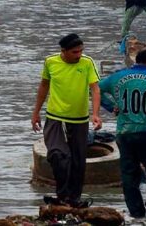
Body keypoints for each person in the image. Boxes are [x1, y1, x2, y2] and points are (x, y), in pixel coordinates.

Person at [99, 47, 146, 218]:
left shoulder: (117, 76)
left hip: (125, 133)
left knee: (129, 175)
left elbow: (94, 88)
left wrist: (111, 106)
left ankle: (136, 213)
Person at [32, 33, 102, 208]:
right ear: (63, 51)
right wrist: (35, 113)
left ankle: (73, 198)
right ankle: (62, 194)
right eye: (74, 52)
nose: (78, 55)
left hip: (79, 118)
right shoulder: (50, 62)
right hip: (55, 116)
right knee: (58, 154)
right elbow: (44, 86)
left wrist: (95, 114)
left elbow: (95, 89)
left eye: (80, 51)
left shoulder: (87, 62)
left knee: (78, 160)